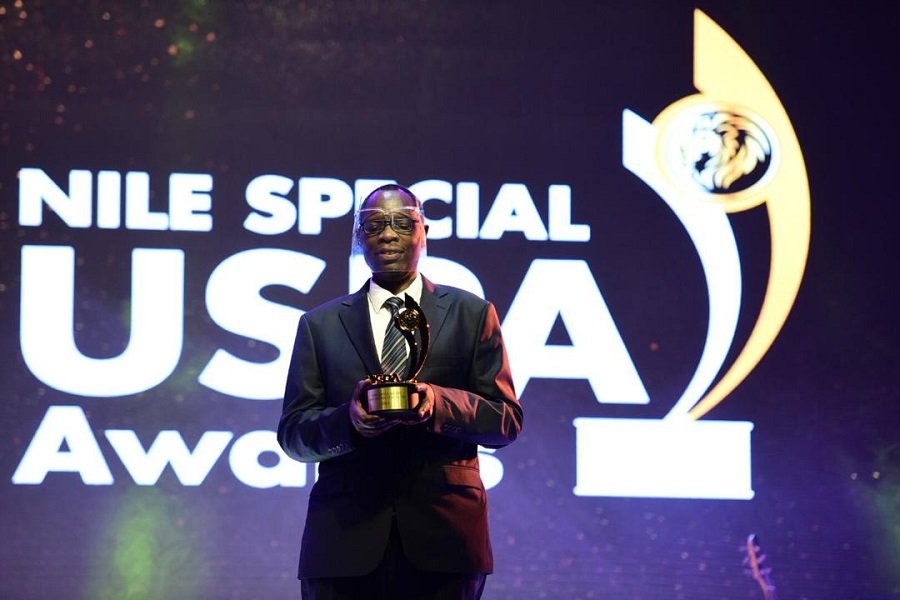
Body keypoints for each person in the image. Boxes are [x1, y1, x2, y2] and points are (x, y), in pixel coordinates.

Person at [278, 183, 523, 599]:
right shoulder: (318, 325)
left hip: (445, 537)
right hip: (344, 540)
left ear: (422, 231)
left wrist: (436, 403)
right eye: (374, 226)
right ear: (359, 239)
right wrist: (349, 422)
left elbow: (505, 421)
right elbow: (294, 435)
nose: (388, 235)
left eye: (401, 224)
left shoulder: (472, 313)